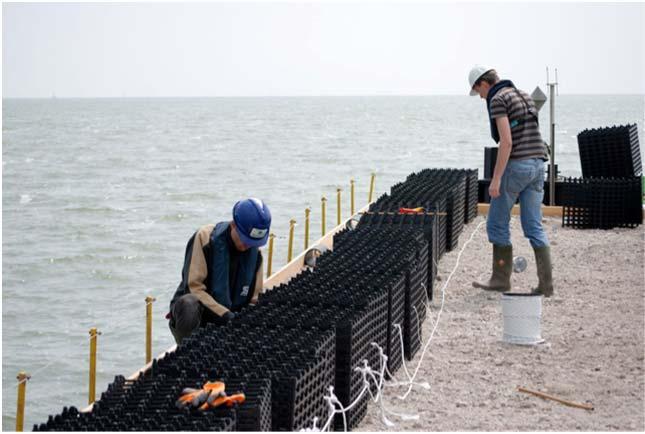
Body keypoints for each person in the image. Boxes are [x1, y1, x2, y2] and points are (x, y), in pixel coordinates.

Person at [468, 65, 553, 297]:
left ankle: (500, 280)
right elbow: (529, 132)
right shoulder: (523, 95)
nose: (481, 98)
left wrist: (495, 180)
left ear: (483, 83)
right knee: (533, 225)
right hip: (538, 164)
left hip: (518, 166)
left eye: (479, 92)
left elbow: (506, 142)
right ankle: (546, 285)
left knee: (496, 223)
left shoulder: (498, 99)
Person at [168, 198, 271, 344]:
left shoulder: (256, 256)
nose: (247, 245)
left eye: (252, 242)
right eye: (244, 239)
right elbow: (193, 288)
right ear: (234, 225)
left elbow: (255, 298)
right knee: (188, 304)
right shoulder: (204, 238)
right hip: (201, 314)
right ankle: (187, 351)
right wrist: (225, 316)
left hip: (232, 319)